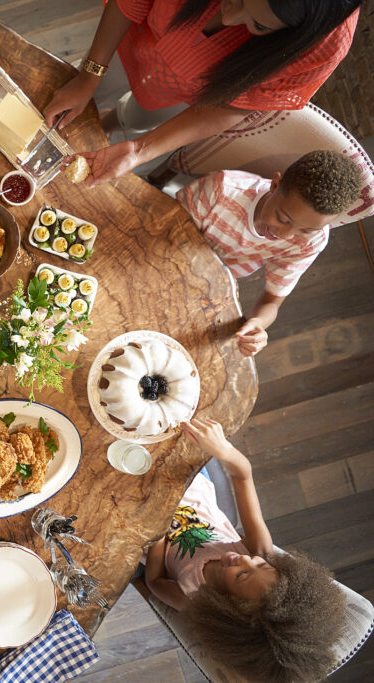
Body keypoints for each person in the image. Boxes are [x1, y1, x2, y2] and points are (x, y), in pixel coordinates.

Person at [44, 0, 360, 187]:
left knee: (138, 115)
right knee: (74, 94)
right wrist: (89, 75)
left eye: (258, 26)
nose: (230, 17)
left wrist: (141, 150)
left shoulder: (325, 45)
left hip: (193, 96)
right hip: (132, 37)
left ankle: (114, 123)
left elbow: (233, 106)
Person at [144, 417, 345, 681]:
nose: (243, 560)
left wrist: (159, 533)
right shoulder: (259, 548)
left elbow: (155, 582)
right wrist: (223, 449)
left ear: (226, 604)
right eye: (260, 565)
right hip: (189, 483)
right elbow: (242, 473)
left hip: (145, 523)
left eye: (241, 575)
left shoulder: (194, 597)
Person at [177, 150, 363, 356]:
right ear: (274, 184)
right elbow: (162, 228)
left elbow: (271, 301)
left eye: (305, 230)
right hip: (166, 253)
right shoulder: (221, 190)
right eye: (283, 218)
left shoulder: (311, 243)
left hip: (209, 287)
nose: (285, 235)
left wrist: (258, 324)